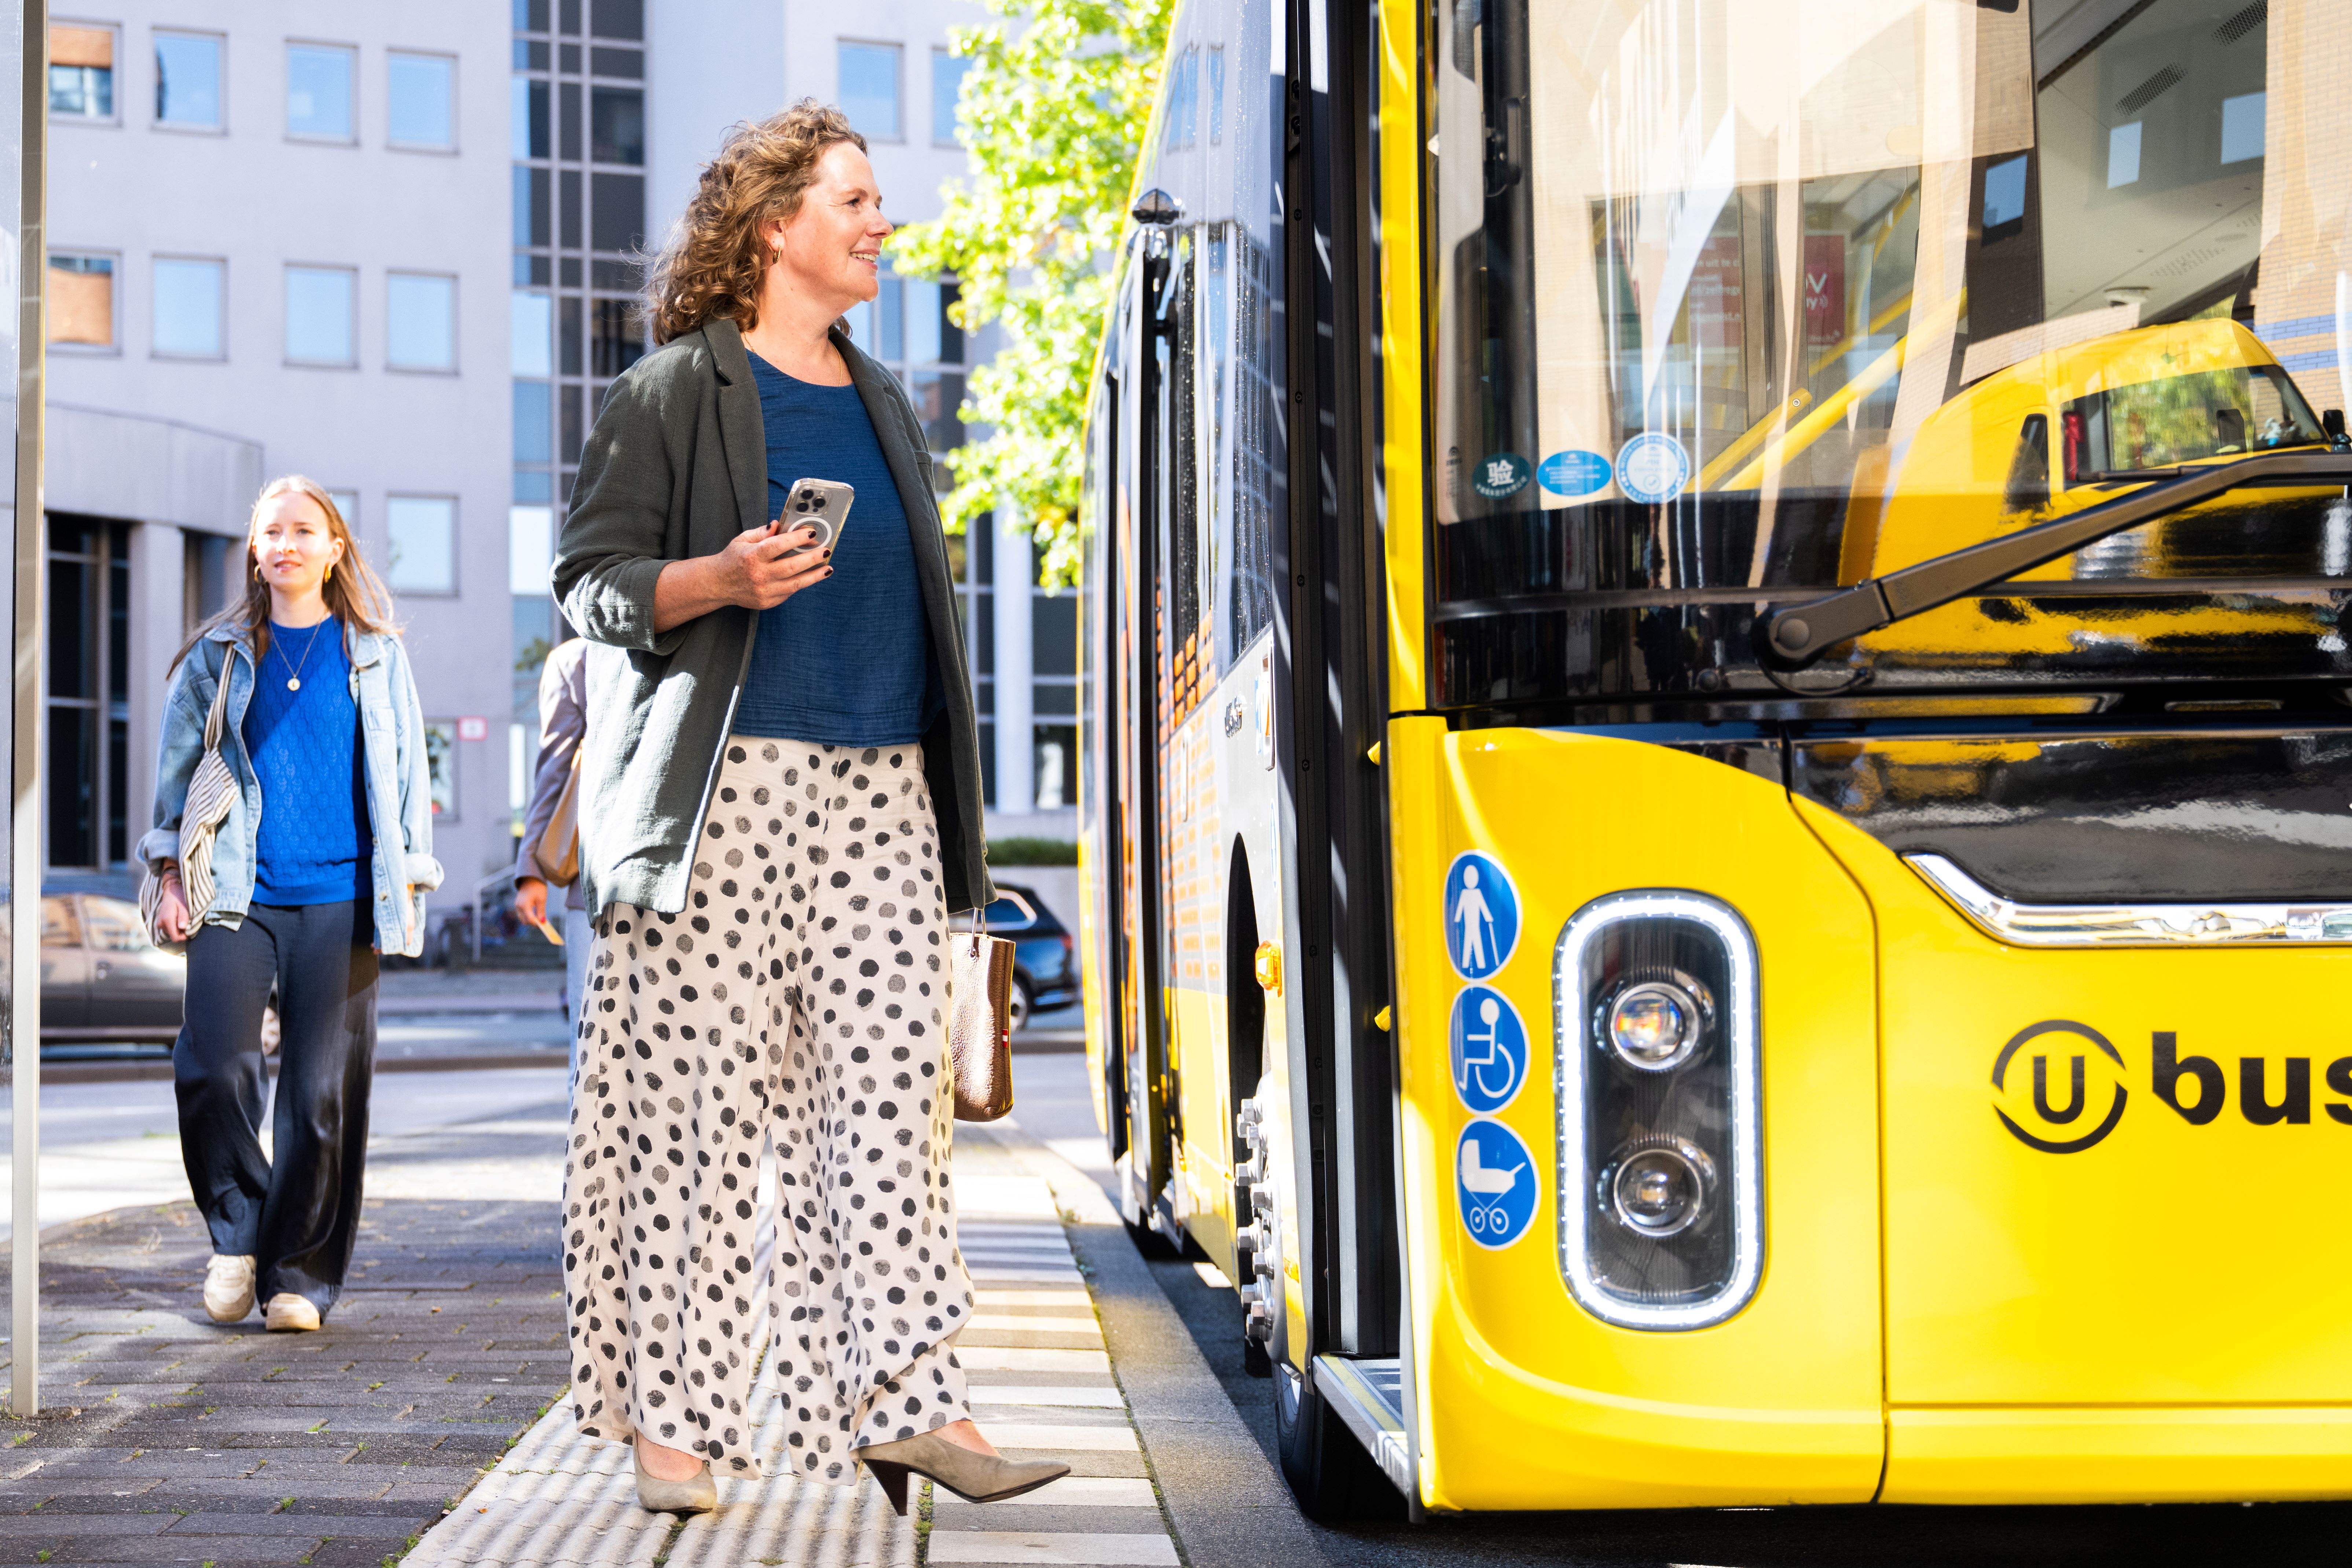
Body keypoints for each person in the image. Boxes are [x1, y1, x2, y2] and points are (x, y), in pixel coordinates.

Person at [553, 100, 1060, 1517]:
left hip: (885, 792)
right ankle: (676, 1431)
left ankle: (918, 1406)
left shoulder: (884, 395)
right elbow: (588, 581)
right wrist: (716, 579)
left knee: (893, 1111)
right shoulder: (675, 389)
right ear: (777, 226)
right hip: (724, 790)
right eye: (853, 199)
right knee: (697, 1120)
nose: (880, 221)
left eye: (876, 200)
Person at [144, 476, 441, 1333]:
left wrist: (409, 880)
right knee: (214, 1066)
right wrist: (170, 874)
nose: (286, 544)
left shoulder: (376, 654)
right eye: (271, 531)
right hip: (235, 893)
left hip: (343, 900)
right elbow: (175, 779)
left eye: (303, 530)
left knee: (319, 1097)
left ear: (334, 548)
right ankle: (237, 1240)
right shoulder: (219, 656)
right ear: (254, 549)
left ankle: (297, 1277)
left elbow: (407, 777)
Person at [513, 635, 592, 1058]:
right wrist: (532, 871)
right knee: (593, 1049)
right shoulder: (577, 659)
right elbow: (554, 769)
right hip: (596, 886)